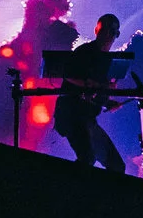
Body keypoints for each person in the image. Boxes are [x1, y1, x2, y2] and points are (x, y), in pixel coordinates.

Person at [55, 13, 128, 172]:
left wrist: (107, 102)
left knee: (116, 166)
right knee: (87, 158)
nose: (108, 35)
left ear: (116, 34)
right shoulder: (84, 52)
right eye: (105, 30)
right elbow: (69, 75)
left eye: (111, 31)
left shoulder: (108, 61)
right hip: (71, 115)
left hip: (87, 119)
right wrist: (93, 84)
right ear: (97, 30)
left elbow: (96, 93)